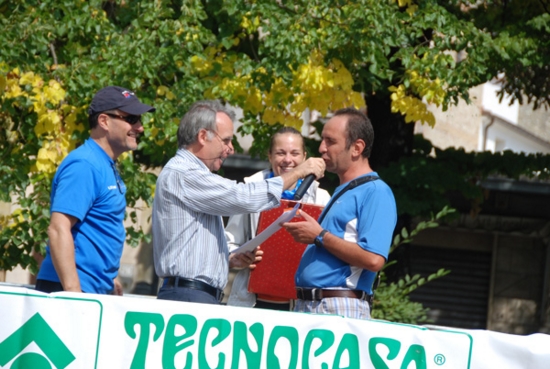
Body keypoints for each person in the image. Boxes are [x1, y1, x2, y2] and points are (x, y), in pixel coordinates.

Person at [152, 100, 325, 305]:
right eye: (226, 140)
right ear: (202, 137)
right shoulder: (185, 173)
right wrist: (300, 172)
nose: (231, 149)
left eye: (295, 154)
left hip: (197, 293)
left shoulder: (191, 173)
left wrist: (230, 258)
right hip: (190, 295)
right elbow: (242, 197)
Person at [35, 86, 155, 294]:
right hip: (70, 290)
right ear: (104, 121)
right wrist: (74, 293)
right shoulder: (84, 165)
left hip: (90, 289)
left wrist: (110, 278)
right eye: (132, 119)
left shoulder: (103, 164)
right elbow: (58, 229)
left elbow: (97, 229)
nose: (140, 127)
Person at [283, 107, 397, 319]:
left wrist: (319, 236)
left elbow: (374, 259)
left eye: (330, 141)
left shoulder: (376, 191)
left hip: (339, 306)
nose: (321, 148)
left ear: (357, 148)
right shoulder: (345, 190)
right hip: (313, 305)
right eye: (322, 139)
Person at [225, 127, 331, 310]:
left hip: (299, 305)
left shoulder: (321, 198)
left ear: (304, 157)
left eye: (295, 153)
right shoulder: (250, 190)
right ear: (270, 156)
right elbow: (230, 243)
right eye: (280, 153)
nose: (288, 160)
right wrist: (239, 257)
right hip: (251, 302)